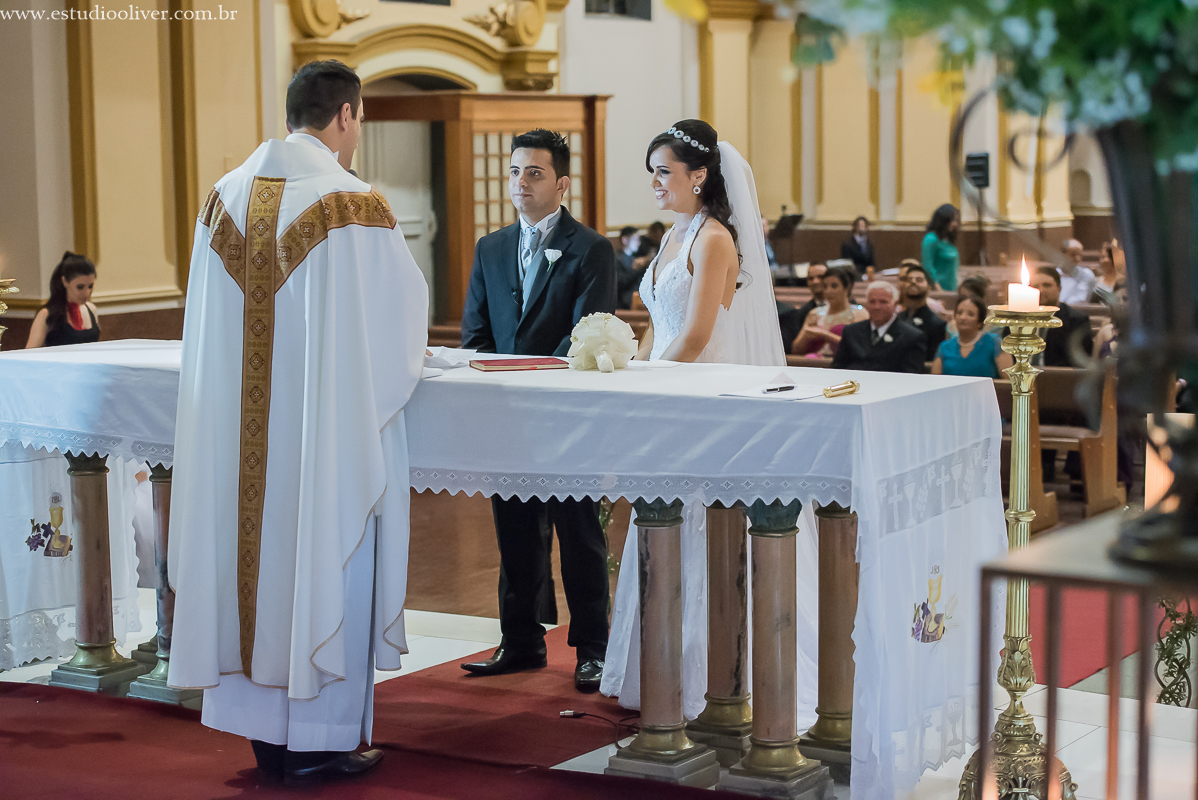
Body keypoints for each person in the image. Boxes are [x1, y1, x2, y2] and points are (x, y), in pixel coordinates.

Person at [167, 60, 429, 784]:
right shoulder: (353, 204)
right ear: (345, 116)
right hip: (320, 445)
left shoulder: (222, 198)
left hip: (239, 446)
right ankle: (317, 741)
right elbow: (399, 323)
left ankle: (264, 742)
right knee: (321, 552)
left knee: (244, 561)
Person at [603, 119, 806, 722]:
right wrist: (626, 365)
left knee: (692, 524)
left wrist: (651, 384)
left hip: (695, 395)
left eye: (665, 172)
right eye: (653, 173)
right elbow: (656, 324)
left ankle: (705, 674)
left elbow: (695, 336)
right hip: (664, 388)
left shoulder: (715, 238)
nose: (656, 184)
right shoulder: (675, 234)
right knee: (659, 523)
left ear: (700, 176)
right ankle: (660, 665)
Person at [459, 129, 615, 692]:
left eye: (535, 173)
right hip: (507, 415)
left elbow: (584, 336)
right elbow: (476, 332)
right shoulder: (491, 248)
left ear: (562, 183)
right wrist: (486, 378)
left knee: (579, 536)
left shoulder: (591, 249)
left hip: (566, 414)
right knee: (516, 534)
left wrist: (529, 379)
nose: (521, 183)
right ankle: (520, 640)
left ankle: (592, 649)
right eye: (515, 171)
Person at [832, 281, 927, 373]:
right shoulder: (851, 331)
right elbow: (838, 369)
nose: (877, 307)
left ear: (895, 304)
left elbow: (911, 377)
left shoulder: (912, 337)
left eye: (883, 302)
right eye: (872, 302)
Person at [25, 253, 100, 348]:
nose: (86, 293)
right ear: (65, 281)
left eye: (90, 286)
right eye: (80, 287)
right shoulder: (46, 314)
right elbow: (30, 354)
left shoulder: (91, 309)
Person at [791, 266, 866, 358]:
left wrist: (826, 336)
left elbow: (860, 349)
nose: (828, 291)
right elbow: (795, 350)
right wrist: (806, 336)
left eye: (834, 286)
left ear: (846, 287)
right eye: (825, 286)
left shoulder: (859, 313)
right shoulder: (815, 313)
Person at [932, 295, 1012, 378]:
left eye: (970, 314)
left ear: (980, 322)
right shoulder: (945, 347)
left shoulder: (995, 343)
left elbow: (1007, 382)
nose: (963, 317)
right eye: (959, 313)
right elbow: (934, 381)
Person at [1030, 266, 1094, 367]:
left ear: (1059, 288)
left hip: (1061, 379)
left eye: (1047, 285)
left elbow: (1079, 362)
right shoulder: (1019, 318)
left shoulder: (1076, 321)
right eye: (1035, 286)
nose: (1040, 290)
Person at [898, 263, 947, 362]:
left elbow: (933, 361)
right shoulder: (896, 319)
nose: (913, 282)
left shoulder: (937, 324)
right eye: (909, 280)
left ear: (928, 286)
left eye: (919, 280)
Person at [921, 203, 960, 291]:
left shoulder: (948, 239)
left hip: (952, 288)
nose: (955, 224)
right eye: (953, 220)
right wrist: (935, 285)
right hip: (939, 289)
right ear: (944, 221)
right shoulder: (931, 239)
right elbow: (927, 266)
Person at [1057, 238, 1097, 305]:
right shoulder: (1055, 274)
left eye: (1080, 255)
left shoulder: (1086, 274)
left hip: (1076, 313)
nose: (1077, 258)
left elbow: (1081, 299)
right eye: (1073, 254)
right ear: (1062, 255)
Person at [615, 225, 645, 309]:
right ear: (624, 240)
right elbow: (621, 282)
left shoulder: (634, 258)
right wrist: (635, 269)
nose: (638, 243)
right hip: (623, 304)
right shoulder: (617, 259)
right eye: (636, 239)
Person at [1090, 240, 1124, 307]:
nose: (1101, 261)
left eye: (1103, 257)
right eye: (1100, 257)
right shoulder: (1096, 281)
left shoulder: (1123, 281)